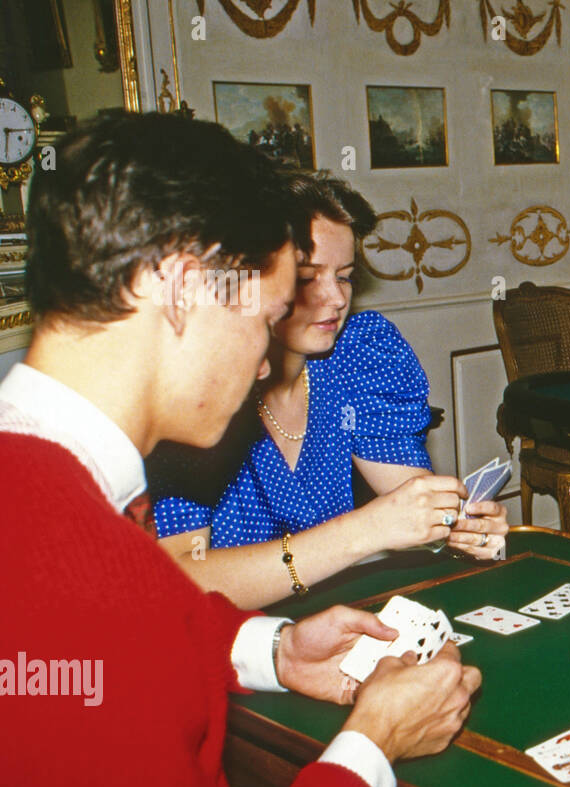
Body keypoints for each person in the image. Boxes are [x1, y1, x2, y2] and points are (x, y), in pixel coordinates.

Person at [0, 112, 480, 787]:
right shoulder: (70, 578)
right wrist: (371, 745)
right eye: (268, 318)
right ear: (188, 289)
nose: (264, 362)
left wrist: (272, 649)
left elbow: (160, 615)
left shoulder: (46, 472)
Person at [148, 171, 508, 610]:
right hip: (229, 644)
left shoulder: (357, 356)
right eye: (307, 278)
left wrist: (463, 527)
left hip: (335, 621)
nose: (335, 298)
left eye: (345, 276)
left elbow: (415, 504)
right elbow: (179, 582)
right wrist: (364, 531)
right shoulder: (193, 392)